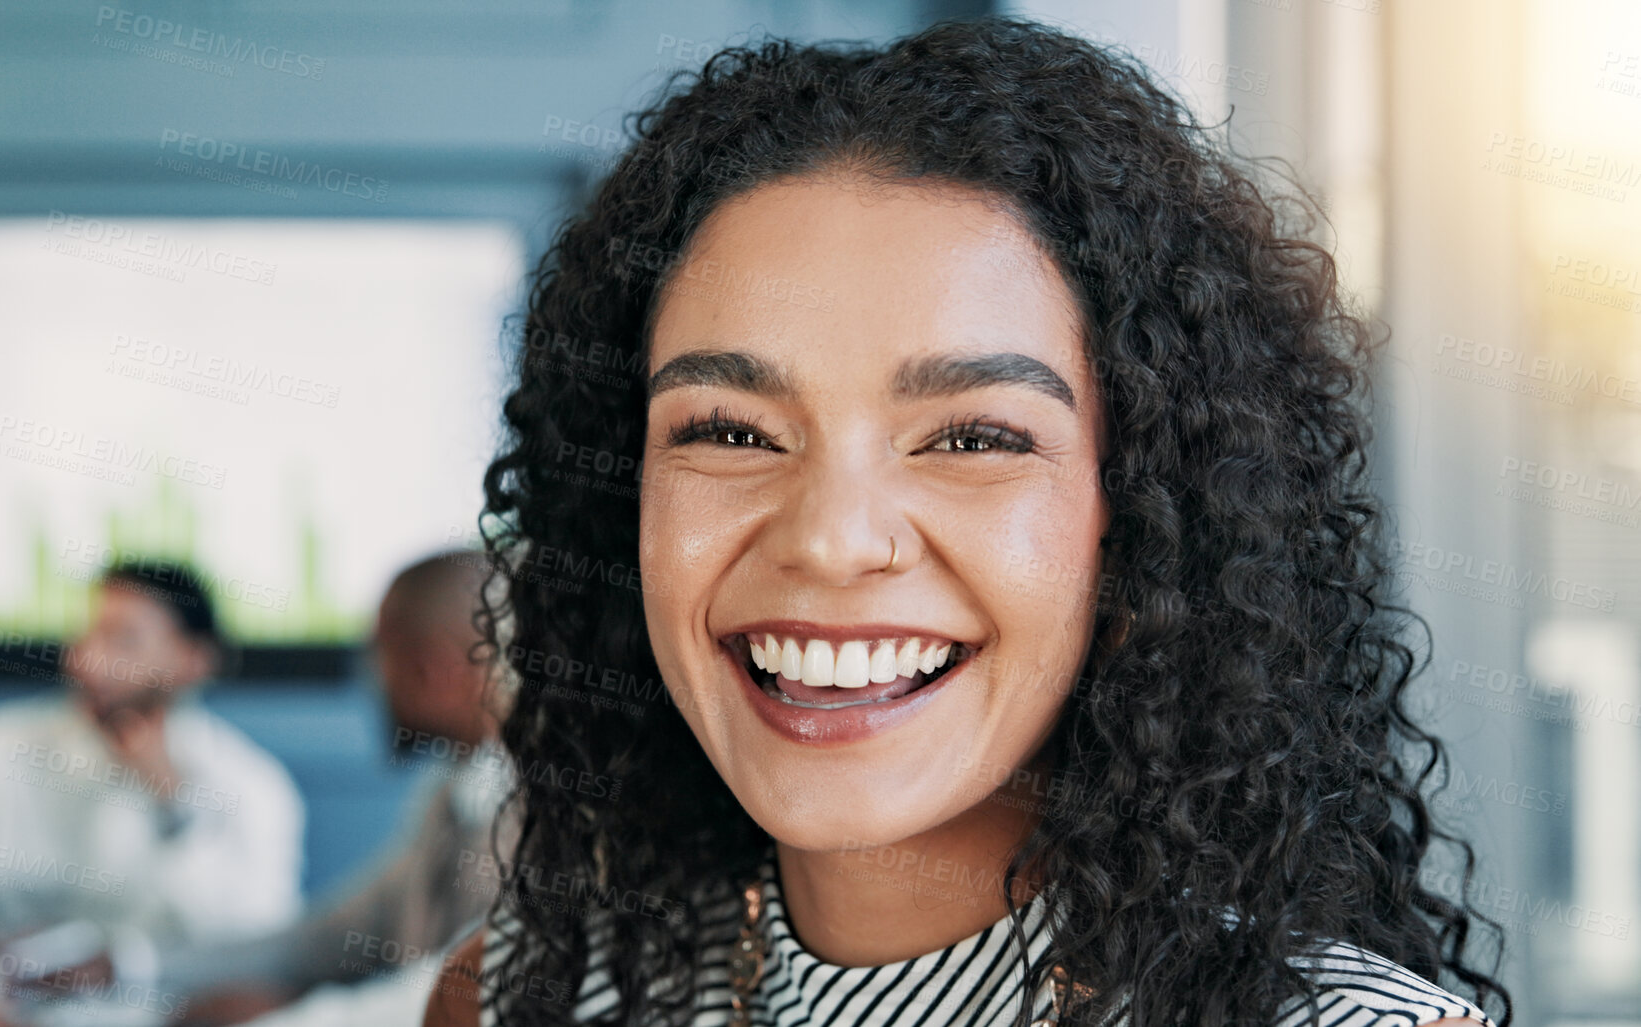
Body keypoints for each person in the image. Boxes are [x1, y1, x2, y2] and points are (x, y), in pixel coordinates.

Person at [428, 17, 1511, 1027]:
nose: (831, 537)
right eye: (732, 430)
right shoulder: (523, 990)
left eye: (972, 438)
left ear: (1137, 523)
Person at [0, 559, 305, 1021]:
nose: (87, 661)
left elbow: (253, 949)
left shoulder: (253, 788)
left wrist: (172, 806)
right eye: (88, 634)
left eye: (124, 640)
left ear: (194, 660)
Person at [153, 551, 508, 1026]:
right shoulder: (454, 791)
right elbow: (329, 939)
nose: (372, 678)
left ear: (433, 669)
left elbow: (446, 995)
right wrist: (138, 966)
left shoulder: (549, 817)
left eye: (380, 652)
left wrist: (287, 1014)